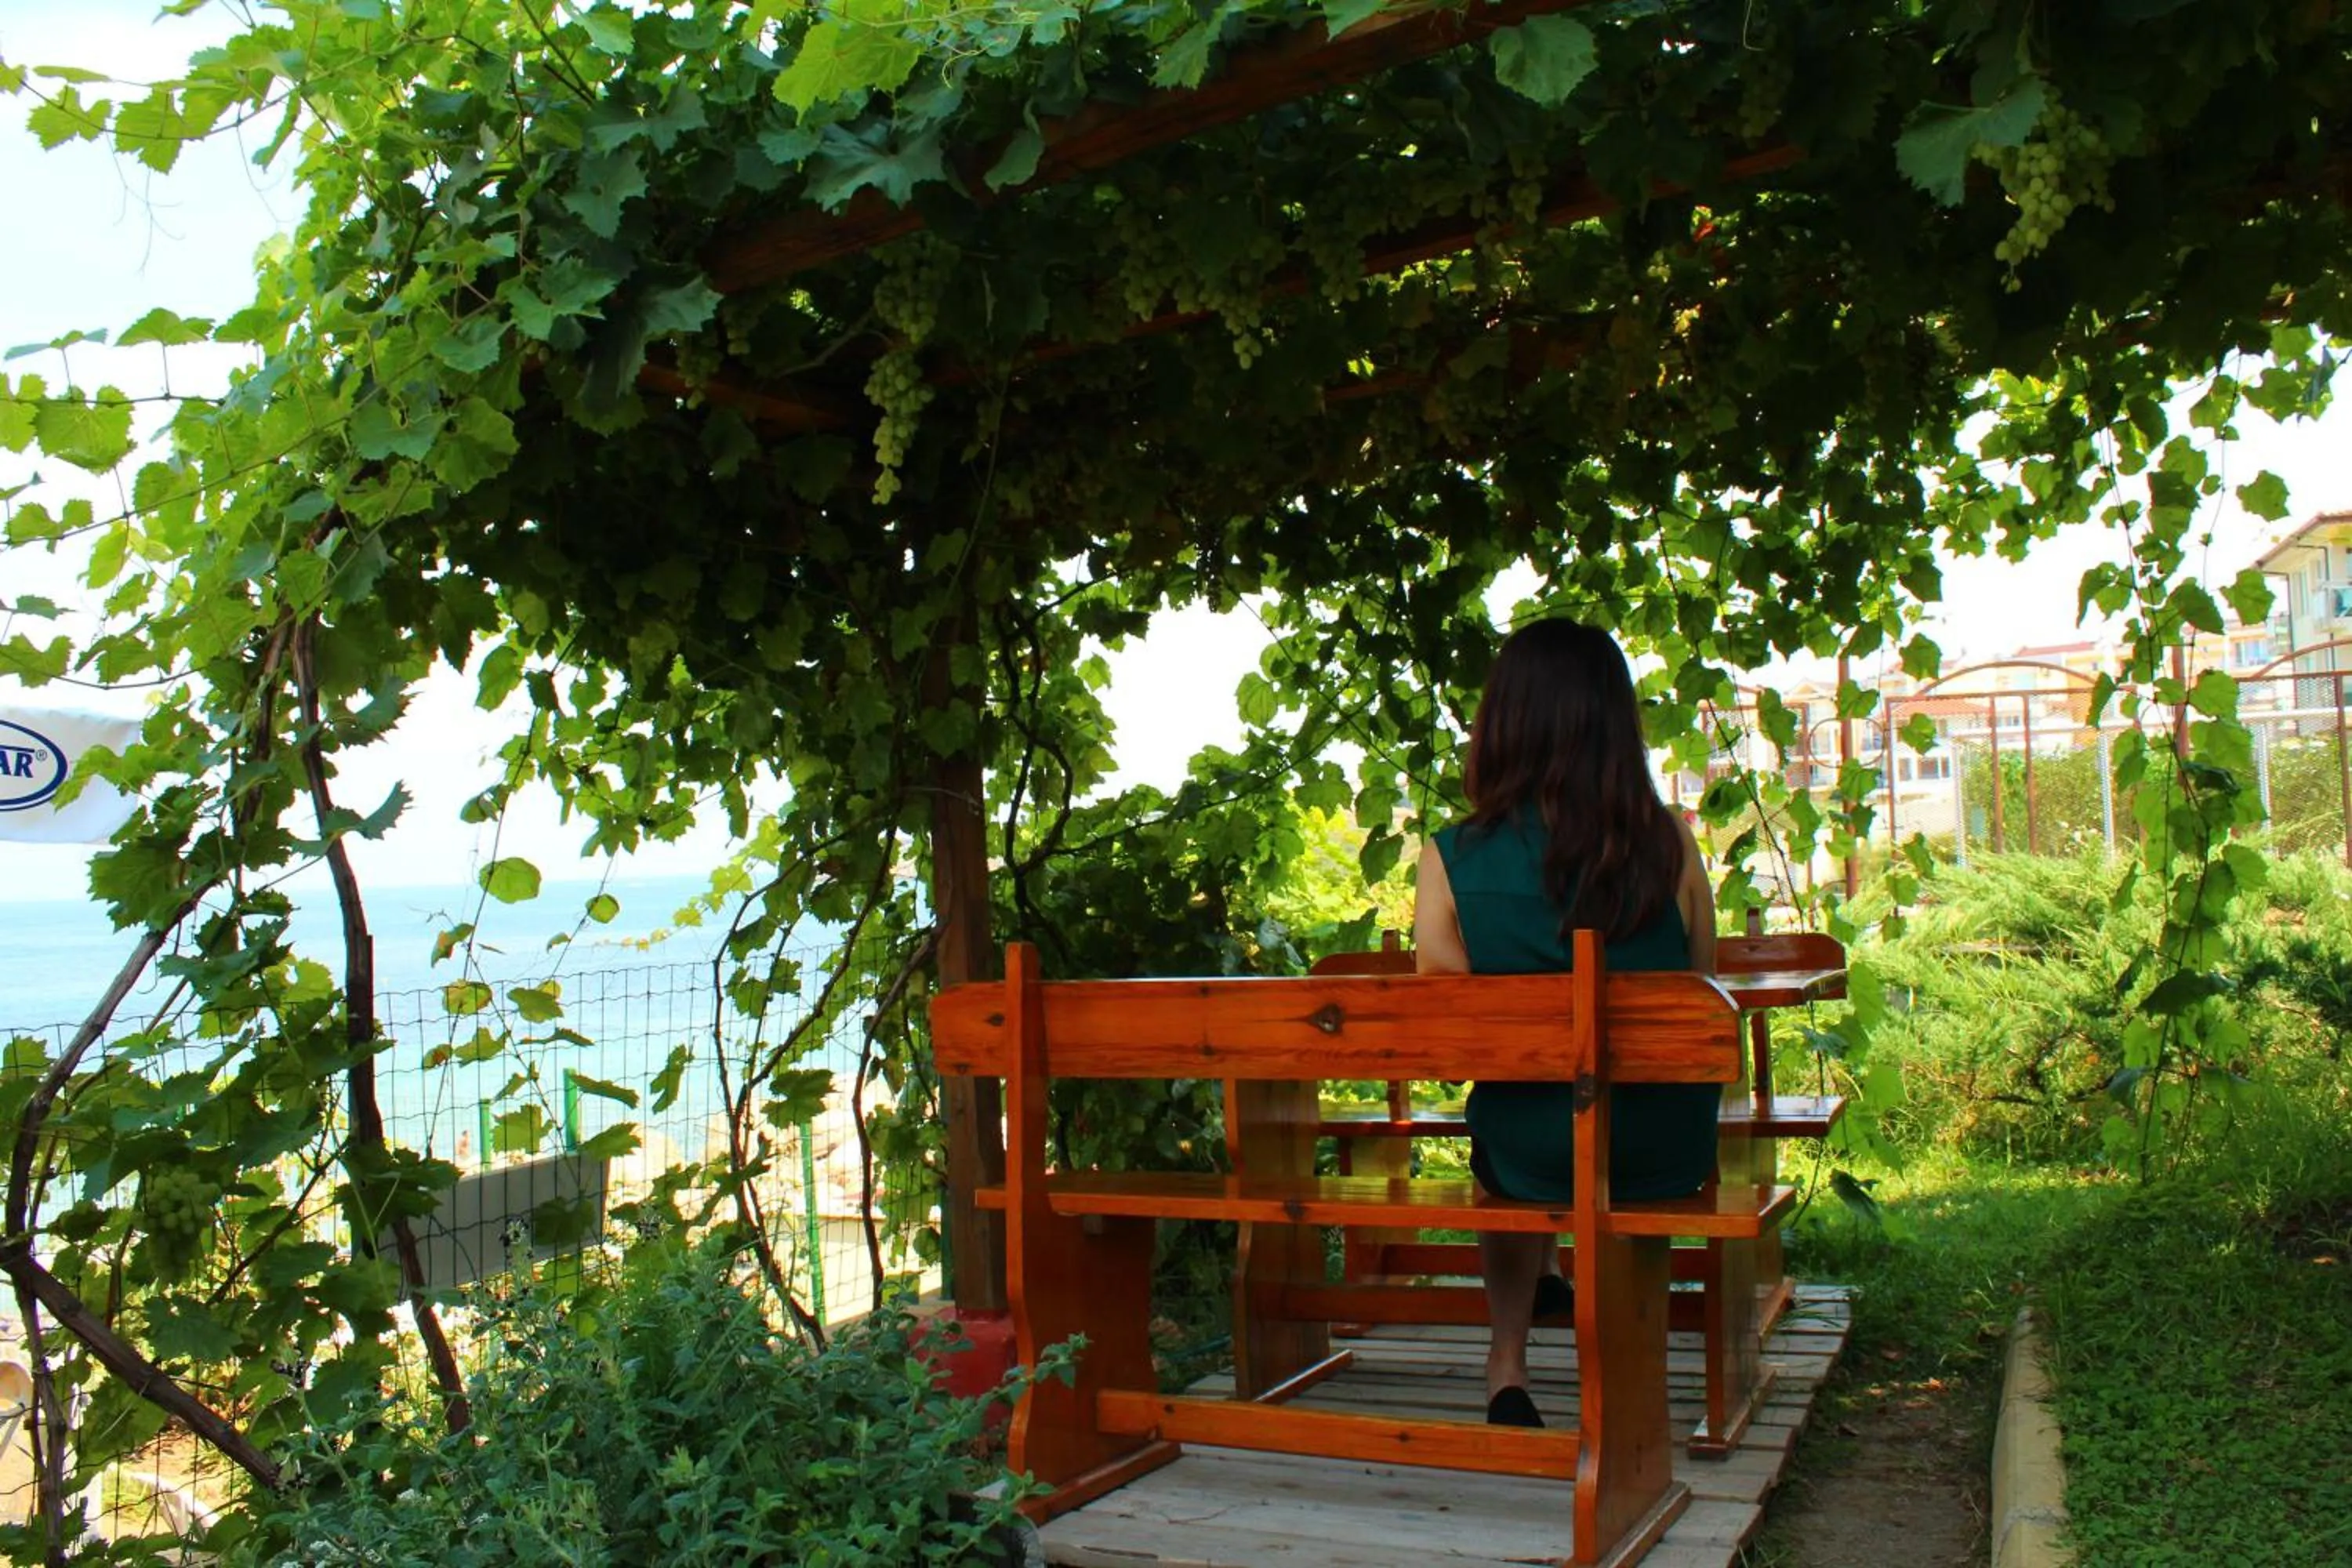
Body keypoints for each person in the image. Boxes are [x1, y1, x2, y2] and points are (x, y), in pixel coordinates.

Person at [1413, 617, 1718, 1428]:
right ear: (1615, 724)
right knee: (1609, 1139)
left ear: (1503, 723)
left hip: (1532, 1145)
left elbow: (1447, 1044)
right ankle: (1625, 1360)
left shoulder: (1450, 858)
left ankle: (1506, 1361)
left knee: (1502, 1144)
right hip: (1660, 1145)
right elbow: (1699, 993)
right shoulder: (1673, 845)